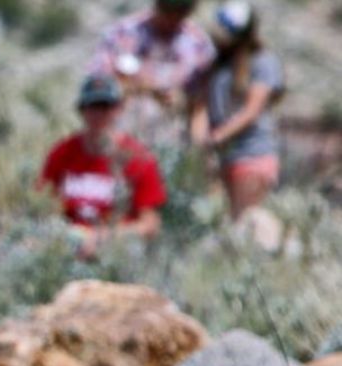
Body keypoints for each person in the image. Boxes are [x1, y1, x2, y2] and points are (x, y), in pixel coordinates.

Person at [38, 75, 168, 261]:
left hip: (116, 252)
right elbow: (44, 207)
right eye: (93, 107)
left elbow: (150, 224)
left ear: (118, 110)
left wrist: (105, 237)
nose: (99, 115)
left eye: (105, 107)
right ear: (82, 110)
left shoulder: (139, 159)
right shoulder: (62, 153)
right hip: (69, 247)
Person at [191, 2, 285, 220]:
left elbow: (252, 111)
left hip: (251, 155)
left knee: (244, 221)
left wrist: (217, 137)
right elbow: (202, 105)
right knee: (215, 221)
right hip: (221, 157)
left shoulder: (263, 62)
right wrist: (200, 141)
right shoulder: (217, 64)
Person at [89, 0, 215, 148]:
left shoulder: (198, 45)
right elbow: (97, 87)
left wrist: (199, 148)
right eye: (167, 10)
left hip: (170, 143)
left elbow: (200, 105)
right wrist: (146, 88)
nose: (170, 19)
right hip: (121, 138)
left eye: (179, 12)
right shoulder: (124, 33)